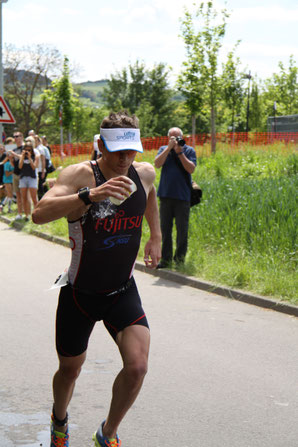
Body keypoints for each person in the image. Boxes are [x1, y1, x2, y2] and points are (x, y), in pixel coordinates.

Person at [32, 110, 162, 447]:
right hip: (79, 294)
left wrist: (155, 236)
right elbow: (38, 214)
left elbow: (149, 197)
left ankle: (107, 434)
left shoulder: (144, 173)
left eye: (130, 151)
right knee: (70, 371)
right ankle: (59, 419)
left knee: (137, 367)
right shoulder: (79, 175)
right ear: (101, 144)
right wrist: (91, 195)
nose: (124, 160)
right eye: (116, 151)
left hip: (121, 290)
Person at [154, 127, 197, 268]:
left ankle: (179, 261)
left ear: (182, 137)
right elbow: (157, 164)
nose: (175, 140)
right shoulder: (163, 149)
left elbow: (191, 169)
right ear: (168, 138)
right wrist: (169, 148)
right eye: (172, 137)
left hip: (182, 197)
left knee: (182, 230)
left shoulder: (189, 150)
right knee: (165, 230)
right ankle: (165, 260)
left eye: (177, 137)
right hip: (165, 196)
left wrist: (180, 153)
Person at [18, 139, 40, 220]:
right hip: (23, 178)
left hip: (32, 178)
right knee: (24, 197)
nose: (27, 151)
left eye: (29, 150)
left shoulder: (36, 156)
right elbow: (20, 166)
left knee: (34, 198)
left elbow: (34, 167)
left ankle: (37, 215)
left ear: (32, 149)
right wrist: (22, 157)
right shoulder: (22, 156)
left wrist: (30, 158)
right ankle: (27, 215)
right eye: (26, 149)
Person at [11, 131, 25, 220]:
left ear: (21, 137)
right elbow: (14, 164)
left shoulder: (25, 147)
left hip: (23, 174)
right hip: (15, 174)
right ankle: (19, 214)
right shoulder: (15, 149)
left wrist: (14, 154)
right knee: (18, 195)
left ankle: (26, 213)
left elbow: (24, 157)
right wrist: (10, 159)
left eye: (17, 136)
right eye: (14, 136)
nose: (15, 138)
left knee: (25, 196)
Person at [34, 134, 47, 199]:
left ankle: (42, 199)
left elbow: (43, 160)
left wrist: (43, 171)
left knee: (41, 187)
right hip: (36, 170)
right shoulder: (34, 148)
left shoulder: (40, 149)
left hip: (40, 170)